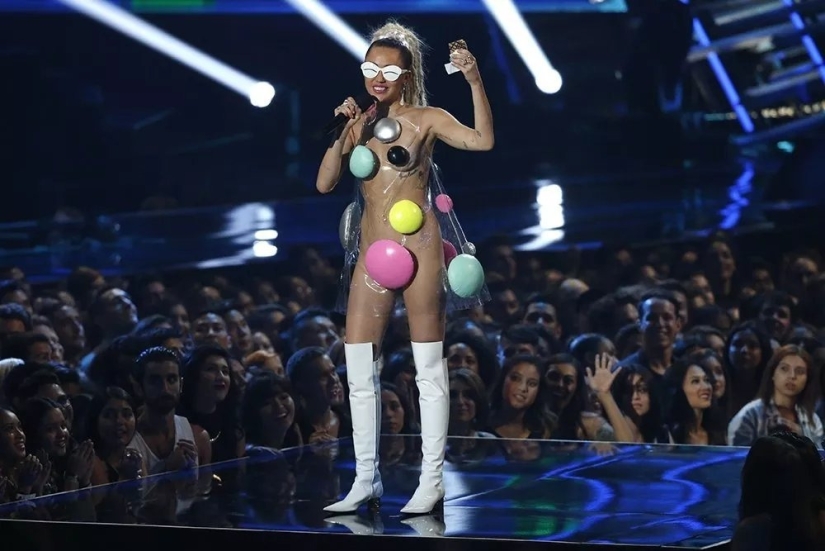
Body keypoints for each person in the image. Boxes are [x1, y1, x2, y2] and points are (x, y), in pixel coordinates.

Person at [316, 20, 494, 515]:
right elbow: (325, 183)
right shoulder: (359, 123)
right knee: (358, 366)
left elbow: (482, 141)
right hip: (372, 255)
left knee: (428, 367)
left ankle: (431, 480)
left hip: (420, 250)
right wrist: (343, 131)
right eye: (370, 68)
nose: (378, 78)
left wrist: (474, 80)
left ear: (407, 75)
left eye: (389, 70)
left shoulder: (428, 118)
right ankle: (365, 479)